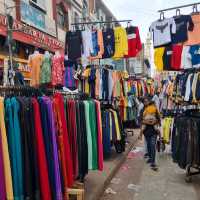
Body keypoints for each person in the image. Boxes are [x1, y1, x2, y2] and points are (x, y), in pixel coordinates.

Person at [139, 97, 161, 171]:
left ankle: (153, 162)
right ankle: (150, 158)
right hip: (146, 131)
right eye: (145, 101)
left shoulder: (155, 109)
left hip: (153, 132)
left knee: (152, 145)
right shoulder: (142, 111)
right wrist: (146, 122)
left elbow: (159, 119)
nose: (146, 102)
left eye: (147, 101)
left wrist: (155, 122)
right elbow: (140, 121)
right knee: (148, 145)